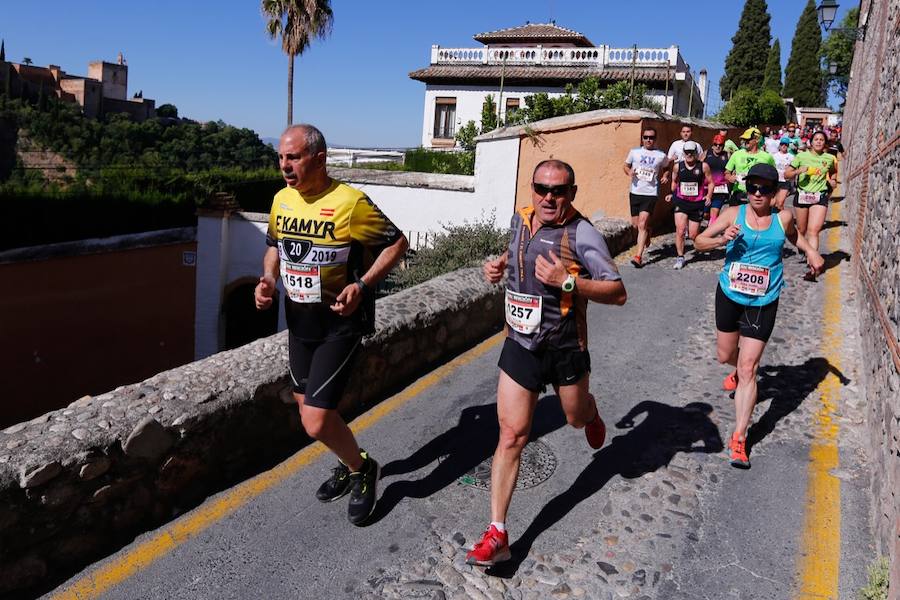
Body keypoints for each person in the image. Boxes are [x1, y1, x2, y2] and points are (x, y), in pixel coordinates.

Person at [467, 159, 627, 566]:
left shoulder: (582, 233)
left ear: (572, 193)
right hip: (520, 344)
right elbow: (516, 253)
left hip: (565, 349)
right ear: (532, 189)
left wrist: (568, 281)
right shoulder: (521, 218)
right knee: (511, 435)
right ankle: (498, 534)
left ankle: (589, 412)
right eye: (541, 188)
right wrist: (499, 266)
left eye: (558, 190)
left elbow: (618, 291)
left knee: (573, 417)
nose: (548, 197)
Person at [255, 124, 409, 525]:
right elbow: (275, 247)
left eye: (294, 158)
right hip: (299, 321)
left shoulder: (350, 202)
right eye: (282, 158)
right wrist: (268, 280)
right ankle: (351, 460)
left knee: (316, 420)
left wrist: (362, 284)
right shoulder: (282, 200)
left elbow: (397, 243)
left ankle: (363, 472)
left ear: (319, 159)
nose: (284, 166)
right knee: (312, 410)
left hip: (340, 323)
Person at [694, 163, 824, 468]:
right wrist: (721, 240)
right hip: (730, 293)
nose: (756, 193)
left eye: (764, 189)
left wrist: (811, 252)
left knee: (749, 366)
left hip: (764, 299)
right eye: (752, 187)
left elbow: (795, 236)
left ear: (774, 191)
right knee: (726, 355)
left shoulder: (783, 217)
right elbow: (699, 241)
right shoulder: (732, 214)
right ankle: (736, 369)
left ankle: (739, 437)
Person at [784, 131, 838, 282]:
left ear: (825, 143)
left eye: (822, 140)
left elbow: (833, 173)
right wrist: (798, 171)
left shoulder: (829, 158)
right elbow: (787, 174)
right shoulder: (801, 157)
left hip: (819, 196)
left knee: (813, 231)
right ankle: (804, 249)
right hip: (802, 196)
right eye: (816, 139)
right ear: (811, 142)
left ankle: (813, 267)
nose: (819, 142)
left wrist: (832, 181)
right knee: (801, 229)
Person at [623, 126, 669, 268]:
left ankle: (638, 256)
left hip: (650, 193)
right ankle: (648, 231)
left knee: (642, 223)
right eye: (646, 137)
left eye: (651, 137)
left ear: (655, 139)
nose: (649, 140)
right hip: (635, 192)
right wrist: (629, 172)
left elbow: (666, 167)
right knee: (637, 225)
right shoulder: (634, 152)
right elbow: (625, 165)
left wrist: (665, 176)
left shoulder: (660, 155)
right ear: (642, 138)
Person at [666, 140, 714, 269]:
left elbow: (710, 182)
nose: (689, 154)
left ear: (696, 153)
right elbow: (674, 181)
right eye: (686, 152)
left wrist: (708, 195)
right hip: (681, 202)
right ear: (683, 153)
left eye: (691, 152)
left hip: (696, 203)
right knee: (680, 230)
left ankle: (702, 244)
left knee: (693, 235)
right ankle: (680, 257)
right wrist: (673, 193)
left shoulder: (703, 166)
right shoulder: (678, 166)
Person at [724, 127, 775, 206]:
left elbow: (773, 176)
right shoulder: (737, 154)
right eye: (744, 139)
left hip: (758, 194)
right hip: (739, 192)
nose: (745, 142)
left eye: (748, 139)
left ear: (757, 140)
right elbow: (727, 172)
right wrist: (730, 177)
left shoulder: (767, 157)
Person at [705, 134, 731, 225]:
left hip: (721, 188)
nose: (718, 147)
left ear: (723, 146)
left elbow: (731, 169)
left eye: (720, 145)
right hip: (707, 187)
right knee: (705, 214)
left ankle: (710, 233)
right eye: (716, 144)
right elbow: (699, 166)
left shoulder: (727, 154)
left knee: (715, 212)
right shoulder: (706, 153)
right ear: (712, 145)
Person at [772, 138, 794, 210]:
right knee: (773, 202)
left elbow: (794, 171)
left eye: (786, 145)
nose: (784, 146)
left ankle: (782, 219)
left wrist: (792, 185)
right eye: (782, 144)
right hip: (775, 181)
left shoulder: (791, 157)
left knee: (780, 203)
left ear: (788, 146)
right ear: (779, 145)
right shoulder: (774, 156)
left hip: (785, 182)